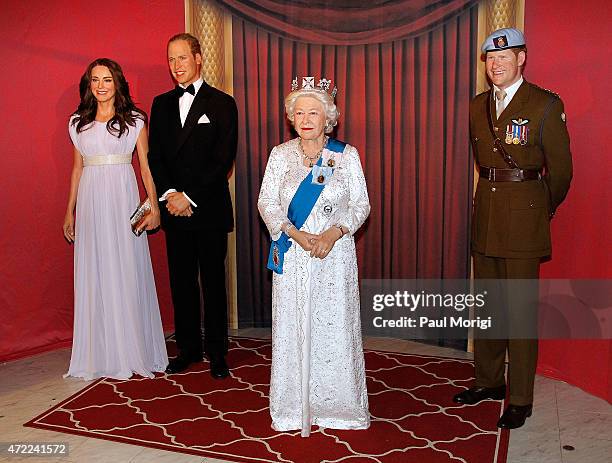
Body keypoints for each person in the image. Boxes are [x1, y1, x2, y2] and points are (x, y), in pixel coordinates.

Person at [452, 28, 572, 429]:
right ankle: (488, 382)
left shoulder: (544, 104)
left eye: (506, 56)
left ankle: (520, 397)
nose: (497, 64)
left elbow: (562, 173)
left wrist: (538, 210)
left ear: (522, 59)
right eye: (490, 58)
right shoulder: (476, 106)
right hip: (486, 213)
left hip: (524, 217)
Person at [258, 76, 371, 436]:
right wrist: (293, 232)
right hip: (293, 253)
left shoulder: (345, 155)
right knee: (294, 326)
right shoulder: (280, 154)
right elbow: (266, 201)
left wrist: (332, 233)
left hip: (333, 255)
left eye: (314, 112)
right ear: (291, 117)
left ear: (329, 118)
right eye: (299, 112)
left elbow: (361, 204)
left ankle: (338, 406)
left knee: (333, 326)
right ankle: (293, 407)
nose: (305, 119)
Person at [62, 58, 168, 380]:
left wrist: (154, 206)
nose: (101, 86)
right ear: (89, 84)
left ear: (117, 83)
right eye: (95, 80)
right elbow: (77, 169)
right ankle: (101, 352)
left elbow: (145, 168)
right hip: (92, 202)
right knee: (96, 269)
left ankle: (132, 348)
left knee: (125, 267)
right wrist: (70, 210)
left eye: (107, 79)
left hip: (123, 198)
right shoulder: (77, 123)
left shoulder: (134, 121)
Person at [148, 33, 238, 379]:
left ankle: (217, 353)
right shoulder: (161, 104)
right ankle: (187, 349)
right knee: (181, 283)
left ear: (199, 58)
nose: (176, 66)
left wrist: (190, 196)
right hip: (174, 209)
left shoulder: (222, 103)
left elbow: (222, 159)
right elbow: (155, 156)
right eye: (171, 59)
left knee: (213, 283)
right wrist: (171, 194)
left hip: (209, 208)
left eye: (182, 58)